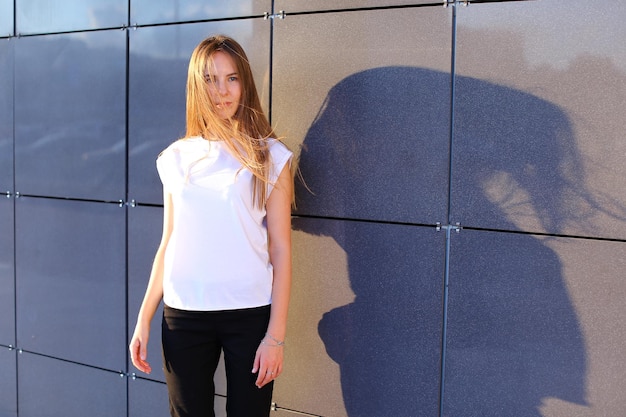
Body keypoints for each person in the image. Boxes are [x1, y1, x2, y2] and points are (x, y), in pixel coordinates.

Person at [129, 34, 293, 417]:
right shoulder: (175, 158)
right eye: (210, 79)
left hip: (249, 316)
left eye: (231, 78)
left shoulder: (270, 156)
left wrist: (276, 337)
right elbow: (169, 242)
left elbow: (282, 249)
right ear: (195, 85)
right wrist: (143, 319)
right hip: (184, 316)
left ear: (245, 84)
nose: (221, 91)